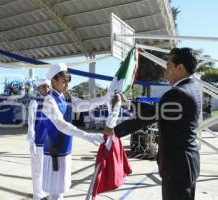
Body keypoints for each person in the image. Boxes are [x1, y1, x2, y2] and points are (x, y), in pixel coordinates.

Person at [103, 47, 201, 200]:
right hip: (187, 164)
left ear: (180, 67)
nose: (166, 71)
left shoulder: (177, 93)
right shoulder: (193, 89)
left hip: (176, 166)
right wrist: (128, 103)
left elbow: (148, 116)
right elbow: (158, 110)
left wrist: (114, 131)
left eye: (169, 66)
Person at [41, 63, 113, 200]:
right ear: (54, 82)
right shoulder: (49, 100)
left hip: (65, 149)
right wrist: (87, 136)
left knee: (60, 189)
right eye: (64, 81)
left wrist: (105, 98)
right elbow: (61, 125)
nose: (67, 85)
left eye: (68, 81)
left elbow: (86, 104)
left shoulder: (65, 99)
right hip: (55, 151)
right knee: (55, 191)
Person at [27, 78, 50, 200]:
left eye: (47, 87)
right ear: (38, 89)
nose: (46, 89)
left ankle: (44, 193)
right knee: (37, 170)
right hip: (39, 142)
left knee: (46, 170)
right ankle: (37, 195)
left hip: (49, 143)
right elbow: (31, 123)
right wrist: (32, 141)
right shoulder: (34, 102)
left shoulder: (51, 101)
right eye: (43, 87)